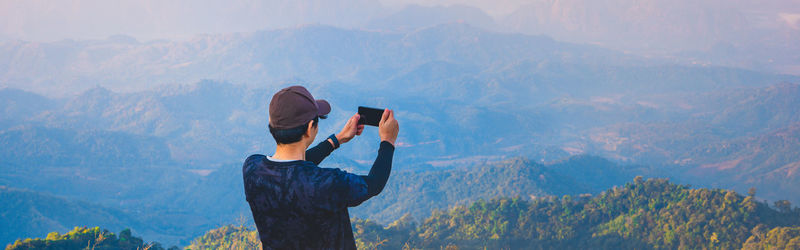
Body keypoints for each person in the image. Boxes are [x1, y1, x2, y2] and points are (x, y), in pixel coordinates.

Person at [242, 85, 399, 249]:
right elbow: (374, 184)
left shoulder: (252, 169)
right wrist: (388, 141)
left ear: (272, 124)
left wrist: (337, 139)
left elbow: (290, 169)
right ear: (311, 127)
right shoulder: (327, 183)